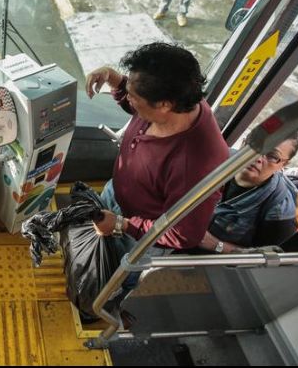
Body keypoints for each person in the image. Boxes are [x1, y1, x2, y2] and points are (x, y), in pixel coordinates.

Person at [85, 43, 229, 254]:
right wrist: (114, 78)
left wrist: (121, 225)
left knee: (109, 273)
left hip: (138, 238)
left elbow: (183, 234)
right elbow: (142, 107)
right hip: (116, 195)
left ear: (165, 105)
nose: (128, 97)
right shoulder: (179, 101)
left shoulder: (198, 164)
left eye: (132, 95)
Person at [197, 135, 298, 254]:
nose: (258, 157)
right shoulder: (217, 158)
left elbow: (268, 258)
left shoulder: (279, 211)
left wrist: (216, 245)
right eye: (255, 146)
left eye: (272, 156)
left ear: (283, 165)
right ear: (243, 144)